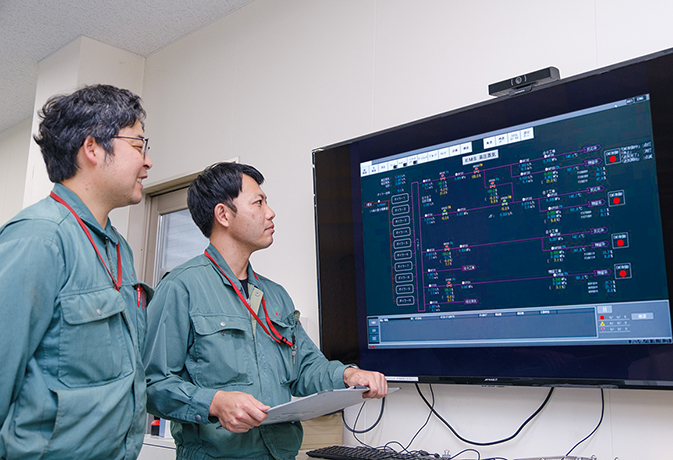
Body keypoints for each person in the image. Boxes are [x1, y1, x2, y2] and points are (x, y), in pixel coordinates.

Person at [144, 162, 388, 460]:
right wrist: (214, 403)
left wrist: (349, 374)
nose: (270, 212)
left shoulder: (276, 296)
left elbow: (307, 368)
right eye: (258, 203)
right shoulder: (181, 287)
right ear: (223, 215)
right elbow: (151, 385)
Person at [0, 84, 154, 459]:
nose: (147, 161)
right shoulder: (38, 238)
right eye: (138, 146)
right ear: (92, 148)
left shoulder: (118, 248)